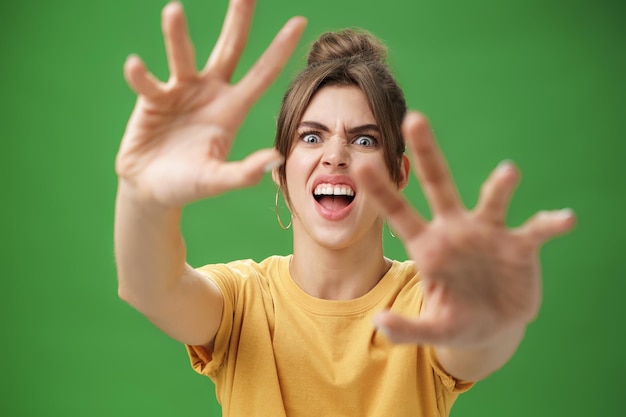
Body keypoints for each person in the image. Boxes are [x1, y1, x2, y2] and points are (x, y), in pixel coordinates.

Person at [114, 1, 576, 416]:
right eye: (311, 136)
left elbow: (472, 342)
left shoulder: (426, 298)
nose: (335, 155)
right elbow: (152, 286)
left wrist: (492, 321)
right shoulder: (242, 300)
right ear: (281, 171)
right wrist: (142, 194)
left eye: (364, 139)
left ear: (398, 175)